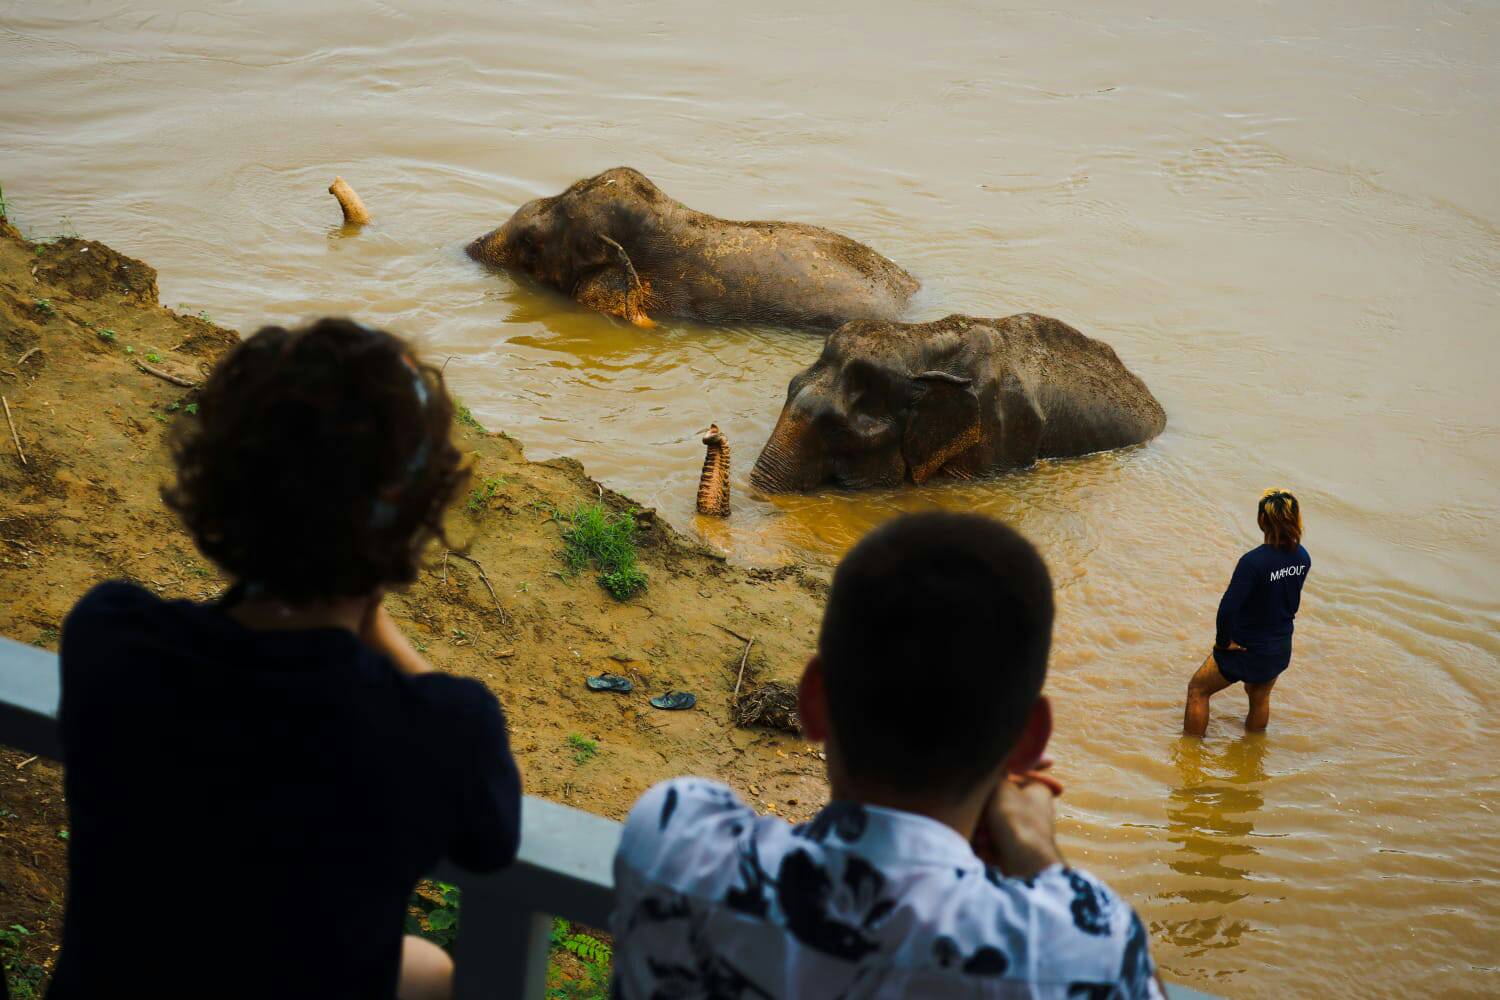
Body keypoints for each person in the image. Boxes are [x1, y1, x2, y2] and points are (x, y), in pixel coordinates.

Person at [50, 319, 522, 999]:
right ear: (416, 521)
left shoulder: (112, 638)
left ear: (217, 481)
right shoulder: (443, 731)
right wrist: (372, 612)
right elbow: (491, 839)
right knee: (430, 974)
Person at [611, 512, 1163, 998]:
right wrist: (1037, 854)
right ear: (1031, 739)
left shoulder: (674, 841)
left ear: (812, 699)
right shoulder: (1081, 953)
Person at [1183, 488, 1311, 737]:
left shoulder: (1253, 562)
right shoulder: (1302, 557)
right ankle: (1253, 753)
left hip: (1246, 648)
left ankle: (1189, 757)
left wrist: (1223, 643)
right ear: (1295, 518)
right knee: (1260, 696)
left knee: (1198, 689)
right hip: (1280, 646)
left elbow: (1227, 608)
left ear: (1262, 520)